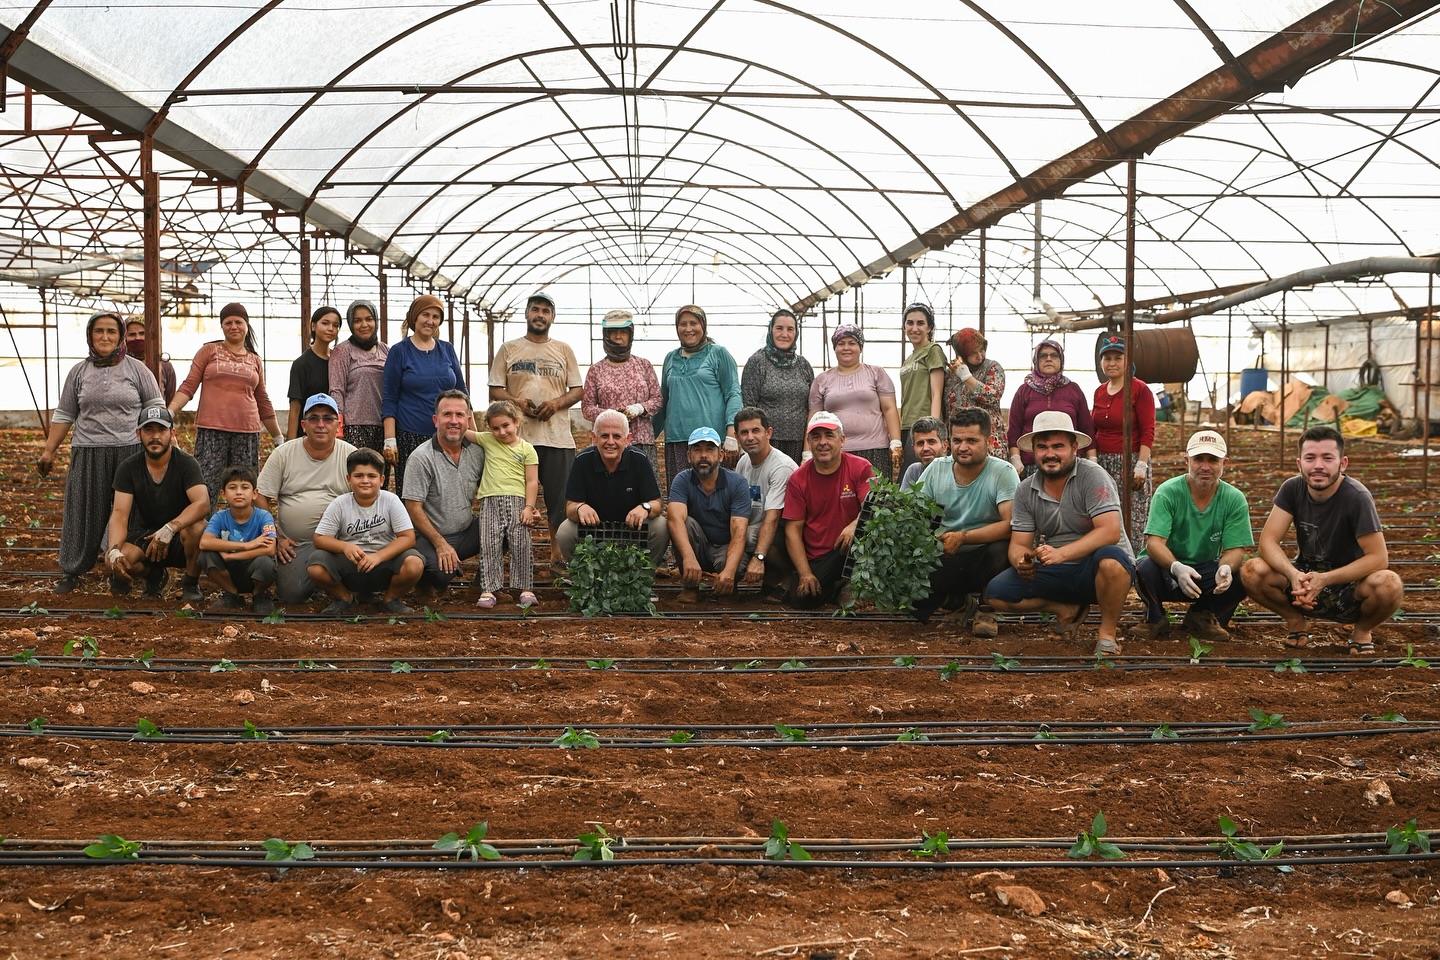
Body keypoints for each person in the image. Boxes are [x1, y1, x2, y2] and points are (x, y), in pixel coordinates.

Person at [1241, 425, 1404, 655]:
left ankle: (1362, 630)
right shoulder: (1292, 489)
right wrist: (1294, 575)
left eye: (1327, 458)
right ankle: (1295, 620)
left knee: (1389, 584)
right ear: (1300, 464)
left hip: (1349, 585)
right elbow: (1267, 542)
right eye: (1310, 458)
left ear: (1342, 463)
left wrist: (1325, 579)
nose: (1318, 465)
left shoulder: (1357, 497)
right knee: (1251, 570)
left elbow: (1378, 558)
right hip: (1304, 580)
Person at [985, 411, 1135, 656]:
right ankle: (1065, 608)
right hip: (1059, 567)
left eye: (1058, 446)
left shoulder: (1092, 476)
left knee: (1111, 561)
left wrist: (1061, 554)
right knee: (996, 593)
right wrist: (1021, 562)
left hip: (1094, 567)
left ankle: (1107, 633)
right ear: (1033, 450)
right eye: (1042, 447)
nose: (1050, 454)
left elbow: (1109, 531)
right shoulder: (1026, 489)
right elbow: (1018, 543)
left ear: (1074, 448)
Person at [39, 310, 163, 593]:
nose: (105, 336)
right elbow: (65, 414)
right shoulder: (79, 372)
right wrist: (48, 451)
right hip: (88, 451)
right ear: (90, 336)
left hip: (130, 453)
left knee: (128, 514)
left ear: (120, 337)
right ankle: (72, 569)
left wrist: (166, 449)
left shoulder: (137, 370)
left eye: (111, 331)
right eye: (99, 331)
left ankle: (118, 569)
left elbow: (156, 409)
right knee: (82, 510)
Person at [1133, 430, 1251, 643]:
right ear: (1187, 460)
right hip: (1166, 570)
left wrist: (1225, 568)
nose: (1205, 466)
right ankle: (1155, 617)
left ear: (1225, 462)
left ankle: (1202, 614)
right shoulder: (1168, 492)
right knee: (1144, 569)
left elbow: (1235, 550)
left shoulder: (1234, 499)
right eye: (1198, 459)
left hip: (1205, 569)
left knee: (1244, 577)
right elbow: (1154, 543)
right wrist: (1177, 567)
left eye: (1213, 460)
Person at [488, 291, 582, 543]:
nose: (540, 315)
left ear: (552, 317)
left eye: (545, 311)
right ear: (527, 313)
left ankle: (557, 555)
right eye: (535, 309)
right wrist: (516, 401)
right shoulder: (509, 349)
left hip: (556, 438)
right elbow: (495, 388)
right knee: (513, 498)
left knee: (559, 500)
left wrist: (556, 403)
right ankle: (510, 552)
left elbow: (577, 390)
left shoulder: (563, 350)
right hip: (516, 438)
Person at [913, 408, 1019, 629]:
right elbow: (916, 513)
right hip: (945, 554)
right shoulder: (936, 469)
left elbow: (1011, 524)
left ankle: (987, 608)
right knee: (909, 592)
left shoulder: (1003, 472)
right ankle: (958, 602)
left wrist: (963, 537)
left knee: (1002, 548)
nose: (962, 447)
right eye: (957, 440)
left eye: (971, 440)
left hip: (984, 556)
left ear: (988, 441)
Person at [170, 302, 285, 504]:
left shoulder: (254, 359)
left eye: (238, 322)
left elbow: (262, 399)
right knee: (207, 485)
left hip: (246, 432)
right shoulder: (208, 351)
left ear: (247, 325)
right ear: (222, 326)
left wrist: (277, 437)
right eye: (228, 322)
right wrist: (169, 412)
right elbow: (189, 386)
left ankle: (241, 532)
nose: (233, 326)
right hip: (212, 430)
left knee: (242, 486)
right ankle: (202, 531)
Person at [256, 393, 357, 604]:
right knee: (291, 594)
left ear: (338, 424)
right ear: (303, 424)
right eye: (314, 418)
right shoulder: (283, 454)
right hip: (296, 545)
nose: (321, 424)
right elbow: (261, 497)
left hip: (340, 543)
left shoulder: (351, 456)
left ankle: (340, 589)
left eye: (328, 418)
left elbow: (369, 498)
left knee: (364, 583)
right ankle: (318, 582)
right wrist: (275, 538)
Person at [105, 406, 209, 601]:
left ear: (172, 433)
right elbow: (119, 513)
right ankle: (154, 575)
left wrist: (170, 528)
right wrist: (114, 550)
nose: (155, 436)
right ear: (138, 434)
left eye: (161, 430)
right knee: (115, 561)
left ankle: (191, 583)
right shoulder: (128, 468)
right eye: (148, 430)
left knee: (198, 527)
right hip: (144, 535)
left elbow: (202, 503)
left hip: (179, 535)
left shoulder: (187, 464)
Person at [772, 411, 874, 609]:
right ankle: (837, 588)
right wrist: (805, 573)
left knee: (866, 527)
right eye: (816, 436)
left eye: (829, 435)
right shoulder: (799, 478)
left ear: (842, 440)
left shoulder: (860, 467)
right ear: (809, 442)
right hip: (817, 556)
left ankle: (854, 581)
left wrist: (855, 524)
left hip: (848, 549)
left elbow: (873, 506)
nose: (822, 442)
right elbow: (793, 531)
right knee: (802, 600)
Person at [308, 447, 424, 617]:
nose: (365, 481)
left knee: (415, 563)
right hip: (350, 568)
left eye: (371, 476)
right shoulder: (340, 504)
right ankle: (345, 598)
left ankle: (390, 600)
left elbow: (408, 538)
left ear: (382, 480)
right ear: (349, 479)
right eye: (358, 476)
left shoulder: (390, 501)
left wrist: (378, 556)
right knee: (316, 565)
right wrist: (344, 547)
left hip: (384, 565)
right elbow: (319, 539)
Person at [558, 409, 668, 566]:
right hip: (594, 529)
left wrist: (645, 507)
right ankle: (584, 581)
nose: (610, 442)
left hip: (631, 529)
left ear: (627, 439)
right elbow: (570, 508)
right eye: (604, 436)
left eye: (617, 436)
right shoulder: (582, 461)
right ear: (594, 438)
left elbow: (656, 503)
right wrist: (580, 507)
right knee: (565, 531)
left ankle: (642, 577)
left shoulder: (639, 460)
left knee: (661, 526)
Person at [402, 389, 486, 594]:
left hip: (467, 531)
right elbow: (413, 507)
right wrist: (440, 543)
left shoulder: (477, 452)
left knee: (508, 526)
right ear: (436, 420)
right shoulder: (421, 457)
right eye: (447, 414)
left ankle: (483, 584)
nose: (453, 421)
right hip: (431, 536)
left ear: (468, 420)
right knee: (440, 574)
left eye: (459, 415)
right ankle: (426, 582)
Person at [382, 294, 465, 498]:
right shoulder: (399, 351)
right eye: (425, 314)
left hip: (446, 435)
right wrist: (390, 439)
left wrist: (473, 434)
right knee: (413, 495)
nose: (430, 321)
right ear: (414, 318)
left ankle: (446, 531)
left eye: (436, 316)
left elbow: (462, 393)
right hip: (410, 434)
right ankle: (410, 531)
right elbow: (390, 398)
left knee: (445, 493)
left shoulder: (447, 349)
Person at [659, 304, 743, 488]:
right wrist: (647, 436)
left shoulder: (718, 354)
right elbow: (663, 401)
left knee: (716, 495)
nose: (688, 329)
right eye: (683, 324)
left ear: (703, 325)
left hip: (711, 440)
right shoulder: (670, 358)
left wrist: (731, 433)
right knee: (682, 496)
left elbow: (733, 393)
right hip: (678, 441)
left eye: (693, 323)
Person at [467, 401, 541, 610]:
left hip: (518, 502)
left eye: (506, 425)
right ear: (489, 428)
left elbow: (532, 481)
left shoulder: (527, 449)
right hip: (490, 500)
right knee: (490, 544)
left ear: (517, 422)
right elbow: (467, 432)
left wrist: (529, 506)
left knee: (521, 544)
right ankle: (489, 589)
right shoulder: (488, 440)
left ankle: (524, 588)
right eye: (495, 428)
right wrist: (465, 411)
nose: (501, 432)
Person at [666, 426, 752, 603]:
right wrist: (689, 558)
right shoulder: (682, 480)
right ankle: (690, 586)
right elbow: (675, 519)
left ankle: (728, 585)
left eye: (710, 449)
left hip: (725, 547)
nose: (703, 455)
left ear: (721, 455)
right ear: (689, 457)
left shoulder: (737, 483)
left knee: (733, 568)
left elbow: (739, 531)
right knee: (685, 523)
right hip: (698, 546)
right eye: (697, 450)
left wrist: (729, 570)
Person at [808, 324, 901, 480]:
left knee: (876, 499)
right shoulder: (822, 380)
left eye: (852, 343)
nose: (846, 348)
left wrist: (896, 442)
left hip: (875, 449)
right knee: (839, 499)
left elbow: (889, 408)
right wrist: (807, 452)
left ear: (860, 347)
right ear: (834, 348)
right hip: (836, 451)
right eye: (841, 344)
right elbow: (814, 417)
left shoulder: (876, 373)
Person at [1091, 334, 1156, 552]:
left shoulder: (1139, 389)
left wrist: (1141, 465)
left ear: (1128, 362)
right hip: (1104, 463)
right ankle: (1111, 557)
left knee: (1133, 515)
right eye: (1107, 358)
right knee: (1106, 512)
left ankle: (1134, 562)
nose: (1112, 363)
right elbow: (1095, 428)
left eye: (1118, 358)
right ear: (1101, 363)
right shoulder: (1099, 391)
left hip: (1130, 461)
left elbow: (1148, 430)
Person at [581, 309, 662, 468]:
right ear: (606, 335)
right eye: (613, 332)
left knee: (644, 490)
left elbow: (658, 399)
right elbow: (587, 408)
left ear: (630, 334)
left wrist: (638, 408)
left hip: (641, 441)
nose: (618, 337)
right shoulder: (596, 370)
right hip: (608, 444)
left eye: (623, 332)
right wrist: (611, 415)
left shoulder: (643, 365)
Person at [1007, 339, 1094, 478]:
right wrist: (1016, 459)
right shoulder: (1024, 391)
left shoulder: (1073, 390)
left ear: (1061, 360)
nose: (1048, 359)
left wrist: (1092, 461)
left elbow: (1087, 427)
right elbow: (1014, 429)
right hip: (1030, 464)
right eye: (1043, 355)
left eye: (1054, 355)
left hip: (1067, 464)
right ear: (1036, 361)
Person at [198, 465, 278, 615]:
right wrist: (248, 545)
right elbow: (205, 542)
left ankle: (259, 595)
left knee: (266, 563)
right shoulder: (219, 517)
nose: (239, 492)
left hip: (255, 569)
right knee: (206, 556)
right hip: (230, 571)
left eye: (245, 487)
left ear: (254, 493)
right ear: (223, 494)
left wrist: (231, 555)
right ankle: (232, 594)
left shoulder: (263, 516)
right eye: (232, 488)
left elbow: (270, 548)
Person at [733, 406, 797, 590]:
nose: (750, 437)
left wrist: (758, 557)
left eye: (756, 431)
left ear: (768, 433)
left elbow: (773, 517)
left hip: (782, 531)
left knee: (748, 535)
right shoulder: (743, 462)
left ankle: (787, 574)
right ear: (737, 437)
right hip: (755, 527)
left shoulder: (781, 467)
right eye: (744, 432)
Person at [741, 309, 814, 462]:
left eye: (790, 329)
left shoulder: (804, 365)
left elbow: (812, 406)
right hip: (767, 443)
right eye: (779, 328)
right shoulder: (757, 362)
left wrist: (807, 450)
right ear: (771, 330)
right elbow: (748, 405)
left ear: (796, 333)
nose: (784, 334)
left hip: (799, 443)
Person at [328, 299, 389, 457]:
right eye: (357, 321)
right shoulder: (343, 351)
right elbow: (336, 390)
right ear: (350, 324)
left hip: (383, 426)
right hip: (354, 426)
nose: (364, 325)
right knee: (354, 475)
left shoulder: (386, 351)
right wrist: (338, 426)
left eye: (369, 319)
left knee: (377, 477)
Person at [897, 302, 946, 471]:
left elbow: (937, 393)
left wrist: (933, 428)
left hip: (924, 427)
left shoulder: (933, 351)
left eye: (920, 323)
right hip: (907, 426)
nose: (914, 328)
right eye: (909, 323)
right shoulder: (909, 359)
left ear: (930, 327)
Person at [944, 327, 1006, 458]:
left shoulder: (992, 367)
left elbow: (993, 396)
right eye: (973, 353)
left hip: (988, 442)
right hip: (960, 444)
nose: (980, 356)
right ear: (961, 354)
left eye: (982, 350)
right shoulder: (950, 374)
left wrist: (966, 377)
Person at [286, 305, 342, 440]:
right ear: (313, 326)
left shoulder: (339, 361)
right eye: (325, 323)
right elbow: (295, 408)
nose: (330, 329)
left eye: (335, 325)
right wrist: (290, 444)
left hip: (333, 434)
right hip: (308, 435)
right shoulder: (302, 364)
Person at [124, 317, 176, 404]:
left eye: (142, 333)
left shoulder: (164, 365)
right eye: (132, 334)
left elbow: (170, 396)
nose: (138, 338)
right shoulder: (120, 364)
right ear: (124, 338)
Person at [899, 416, 947, 488]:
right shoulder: (914, 471)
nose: (925, 448)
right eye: (920, 443)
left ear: (944, 446)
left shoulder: (957, 472)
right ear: (913, 448)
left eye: (931, 442)